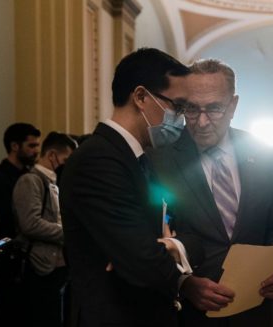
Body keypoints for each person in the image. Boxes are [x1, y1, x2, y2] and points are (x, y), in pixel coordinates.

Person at [148, 59, 273, 326]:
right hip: (191, 314)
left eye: (214, 108)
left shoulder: (260, 152)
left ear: (233, 105)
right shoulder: (161, 159)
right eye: (191, 109)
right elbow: (150, 239)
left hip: (255, 310)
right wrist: (184, 283)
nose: (201, 122)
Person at [59, 48, 195, 327]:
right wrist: (164, 249)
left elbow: (178, 230)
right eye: (177, 106)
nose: (181, 118)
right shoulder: (98, 160)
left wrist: (171, 245)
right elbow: (144, 262)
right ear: (142, 97)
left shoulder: (139, 158)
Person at [12, 132, 76, 327]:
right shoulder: (30, 180)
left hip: (58, 265)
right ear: (52, 155)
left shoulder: (54, 181)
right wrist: (69, 233)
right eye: (66, 159)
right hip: (40, 264)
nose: (68, 165)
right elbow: (30, 223)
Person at [0, 122, 41, 327]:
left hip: (28, 251)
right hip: (8, 250)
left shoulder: (32, 175)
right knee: (9, 310)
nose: (36, 151)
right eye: (31, 146)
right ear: (15, 146)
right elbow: (9, 215)